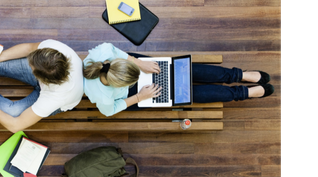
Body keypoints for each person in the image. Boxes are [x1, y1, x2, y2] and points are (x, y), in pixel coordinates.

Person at [83, 43, 274, 117]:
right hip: (135, 95)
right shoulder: (103, 98)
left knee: (183, 72)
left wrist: (139, 64)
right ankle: (241, 93)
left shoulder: (103, 53)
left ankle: (238, 75)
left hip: (135, 65)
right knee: (184, 94)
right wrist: (140, 97)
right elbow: (111, 110)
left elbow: (117, 52)